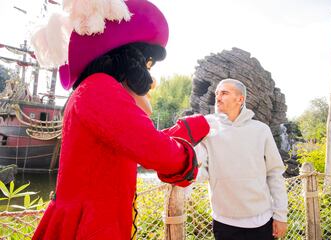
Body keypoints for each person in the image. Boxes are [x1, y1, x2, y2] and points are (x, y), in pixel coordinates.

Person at [30, 0, 209, 239]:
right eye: (148, 63)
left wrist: (193, 126)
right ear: (131, 60)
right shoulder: (99, 88)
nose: (150, 77)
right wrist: (193, 154)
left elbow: (137, 141)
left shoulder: (92, 89)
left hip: (92, 222)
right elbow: (157, 150)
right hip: (89, 228)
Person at [196, 78, 288, 240]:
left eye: (224, 93)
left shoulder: (261, 130)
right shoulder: (205, 129)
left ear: (240, 99)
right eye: (217, 93)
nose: (217, 97)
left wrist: (281, 215)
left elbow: (274, 174)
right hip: (224, 222)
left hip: (262, 221)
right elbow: (199, 171)